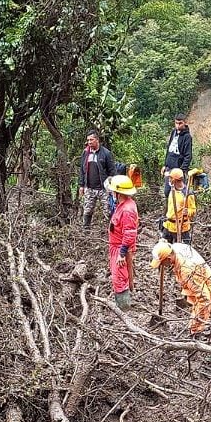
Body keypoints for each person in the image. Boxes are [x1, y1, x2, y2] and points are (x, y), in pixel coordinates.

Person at [151, 239, 211, 334]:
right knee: (200, 306)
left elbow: (204, 298)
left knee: (202, 307)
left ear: (169, 259)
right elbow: (166, 244)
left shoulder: (186, 270)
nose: (162, 266)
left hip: (208, 286)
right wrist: (162, 243)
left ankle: (196, 336)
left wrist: (195, 328)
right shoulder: (174, 248)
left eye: (162, 263)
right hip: (199, 280)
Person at [105, 174, 139, 310]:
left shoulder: (127, 210)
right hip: (117, 246)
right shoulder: (124, 204)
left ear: (118, 192)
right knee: (118, 275)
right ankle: (123, 304)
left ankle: (124, 308)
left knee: (119, 278)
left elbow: (130, 233)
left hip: (120, 248)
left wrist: (122, 253)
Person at [79, 130, 115, 230]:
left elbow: (112, 171)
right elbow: (82, 170)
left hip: (103, 189)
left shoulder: (106, 153)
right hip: (89, 188)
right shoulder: (86, 153)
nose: (89, 142)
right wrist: (81, 185)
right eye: (88, 140)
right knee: (87, 211)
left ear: (97, 140)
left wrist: (111, 187)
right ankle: (86, 232)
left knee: (108, 211)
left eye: (91, 140)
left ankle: (112, 232)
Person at [161, 167, 196, 243]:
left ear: (175, 180)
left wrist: (188, 212)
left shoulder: (187, 193)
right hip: (169, 225)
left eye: (170, 178)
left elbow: (193, 210)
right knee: (165, 248)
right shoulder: (172, 189)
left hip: (182, 227)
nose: (169, 180)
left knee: (184, 249)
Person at [162, 114, 192, 195]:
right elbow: (169, 150)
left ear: (185, 123)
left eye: (180, 123)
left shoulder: (187, 137)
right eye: (176, 123)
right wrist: (165, 165)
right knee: (167, 192)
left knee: (180, 192)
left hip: (178, 169)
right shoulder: (173, 132)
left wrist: (181, 170)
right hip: (169, 168)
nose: (178, 125)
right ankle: (170, 207)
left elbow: (188, 156)